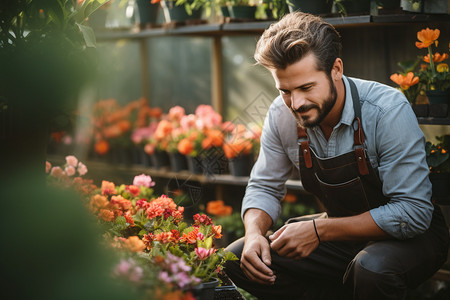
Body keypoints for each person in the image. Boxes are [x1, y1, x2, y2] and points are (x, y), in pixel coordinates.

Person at [224, 11, 449, 300]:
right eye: (285, 91)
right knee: (239, 257)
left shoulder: (386, 110)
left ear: (336, 69)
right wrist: (255, 232)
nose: (297, 103)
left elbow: (413, 213)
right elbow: (264, 186)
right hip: (340, 234)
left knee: (371, 269)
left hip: (413, 238)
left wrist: (320, 230)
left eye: (307, 87)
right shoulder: (281, 115)